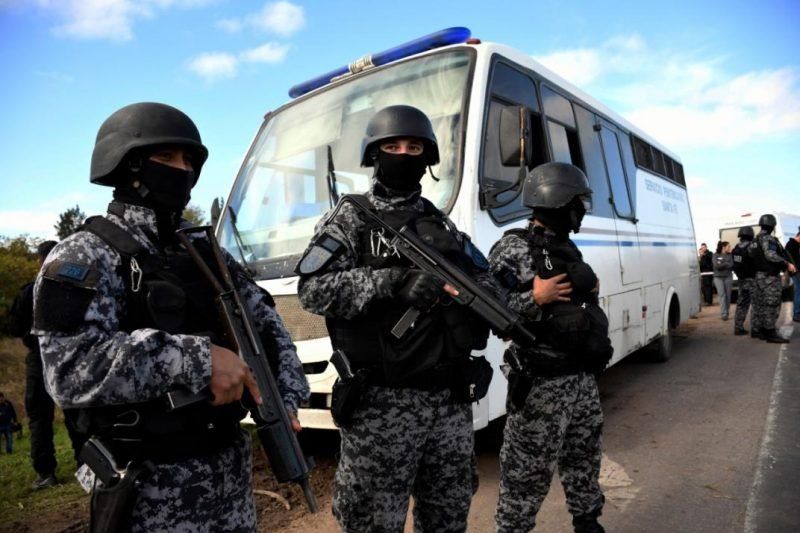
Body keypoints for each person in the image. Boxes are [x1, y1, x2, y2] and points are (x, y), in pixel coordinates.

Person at [32, 102, 309, 531]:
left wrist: (286, 396)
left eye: (189, 161)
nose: (181, 170)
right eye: (166, 158)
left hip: (229, 479)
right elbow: (69, 370)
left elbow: (266, 326)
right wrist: (197, 359)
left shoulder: (205, 253)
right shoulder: (84, 254)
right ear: (129, 165)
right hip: (146, 488)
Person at [297, 105, 493, 532]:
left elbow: (484, 281)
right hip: (383, 405)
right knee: (371, 521)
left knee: (448, 514)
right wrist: (390, 283)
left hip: (449, 401)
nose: (404, 154)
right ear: (374, 154)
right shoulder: (349, 219)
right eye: (393, 146)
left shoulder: (440, 224)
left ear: (428, 158)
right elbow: (311, 292)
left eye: (414, 147)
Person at [489, 162, 613, 533]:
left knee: (584, 457)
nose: (581, 210)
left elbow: (575, 307)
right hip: (542, 384)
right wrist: (535, 298)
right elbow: (491, 314)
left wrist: (590, 294)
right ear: (558, 200)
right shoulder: (512, 248)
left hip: (581, 378)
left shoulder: (566, 248)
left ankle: (588, 521)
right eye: (578, 202)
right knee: (526, 474)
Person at [10, 240, 89, 489]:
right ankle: (84, 464)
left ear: (39, 260)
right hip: (67, 356)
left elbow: (13, 326)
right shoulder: (71, 287)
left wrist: (31, 339)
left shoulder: (28, 291)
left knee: (40, 419)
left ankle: (46, 473)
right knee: (76, 412)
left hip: (38, 358)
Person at [750, 214, 797, 343]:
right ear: (772, 226)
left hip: (758, 277)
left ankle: (761, 330)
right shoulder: (768, 239)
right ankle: (770, 332)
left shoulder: (754, 241)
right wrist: (786, 264)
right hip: (769, 278)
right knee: (772, 304)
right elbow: (770, 255)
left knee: (760, 305)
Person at [731, 227, 756, 335]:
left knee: (741, 304)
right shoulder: (751, 247)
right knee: (756, 305)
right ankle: (756, 329)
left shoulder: (736, 248)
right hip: (752, 279)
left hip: (741, 280)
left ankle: (738, 327)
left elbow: (735, 264)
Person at [712, 241, 734, 320]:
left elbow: (731, 265)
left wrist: (722, 262)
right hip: (718, 278)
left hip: (728, 277)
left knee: (728, 295)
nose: (730, 248)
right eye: (729, 246)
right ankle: (723, 314)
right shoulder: (715, 255)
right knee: (722, 295)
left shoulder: (730, 255)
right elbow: (716, 266)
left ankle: (727, 312)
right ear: (724, 247)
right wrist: (726, 263)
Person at [785, 229, 800, 322]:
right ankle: (796, 314)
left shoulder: (796, 245)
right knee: (798, 293)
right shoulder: (791, 244)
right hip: (795, 273)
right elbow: (789, 261)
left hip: (797, 272)